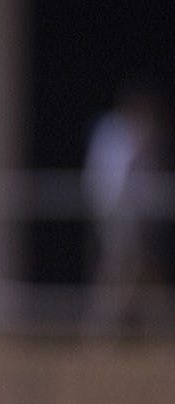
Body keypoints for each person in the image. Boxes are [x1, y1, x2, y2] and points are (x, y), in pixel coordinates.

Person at [82, 82, 171, 338]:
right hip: (118, 213)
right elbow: (113, 179)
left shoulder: (123, 134)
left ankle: (158, 329)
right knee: (119, 269)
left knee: (142, 270)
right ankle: (99, 330)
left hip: (135, 215)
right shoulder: (119, 134)